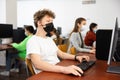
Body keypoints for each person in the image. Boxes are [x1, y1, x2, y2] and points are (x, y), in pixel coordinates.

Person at [26, 9, 90, 76]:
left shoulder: (49, 39)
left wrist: (76, 57)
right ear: (39, 23)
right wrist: (64, 69)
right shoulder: (33, 41)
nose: (51, 24)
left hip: (56, 69)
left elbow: (61, 54)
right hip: (45, 74)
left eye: (51, 21)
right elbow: (38, 64)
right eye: (48, 21)